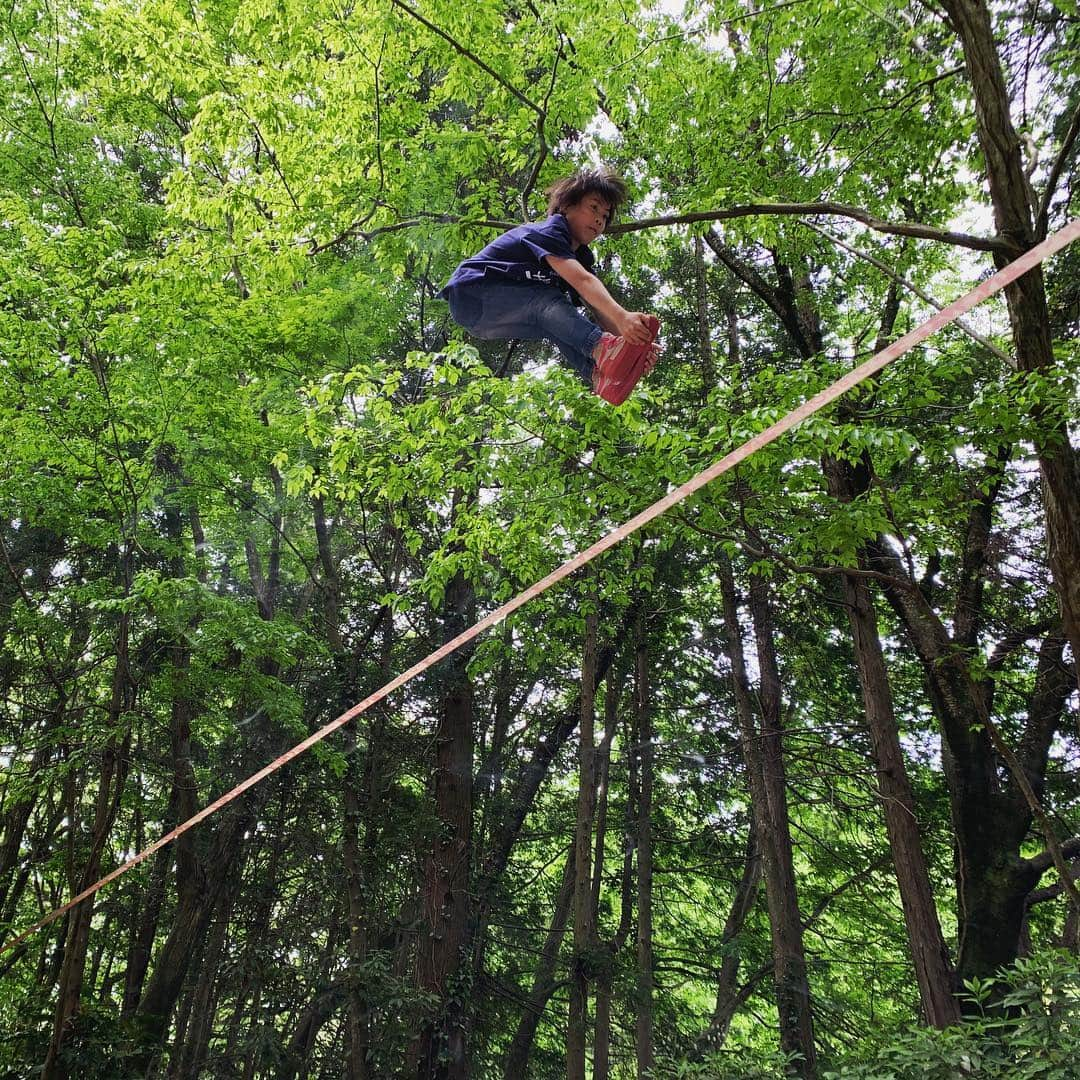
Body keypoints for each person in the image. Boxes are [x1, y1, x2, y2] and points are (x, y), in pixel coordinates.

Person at [438, 168, 661, 405]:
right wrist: (622, 319)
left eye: (605, 216)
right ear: (567, 206)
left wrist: (633, 348)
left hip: (485, 319)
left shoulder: (581, 259)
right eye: (594, 208)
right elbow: (583, 283)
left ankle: (599, 375)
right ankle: (599, 347)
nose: (599, 219)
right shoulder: (551, 231)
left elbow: (598, 310)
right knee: (547, 300)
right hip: (473, 293)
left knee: (555, 321)